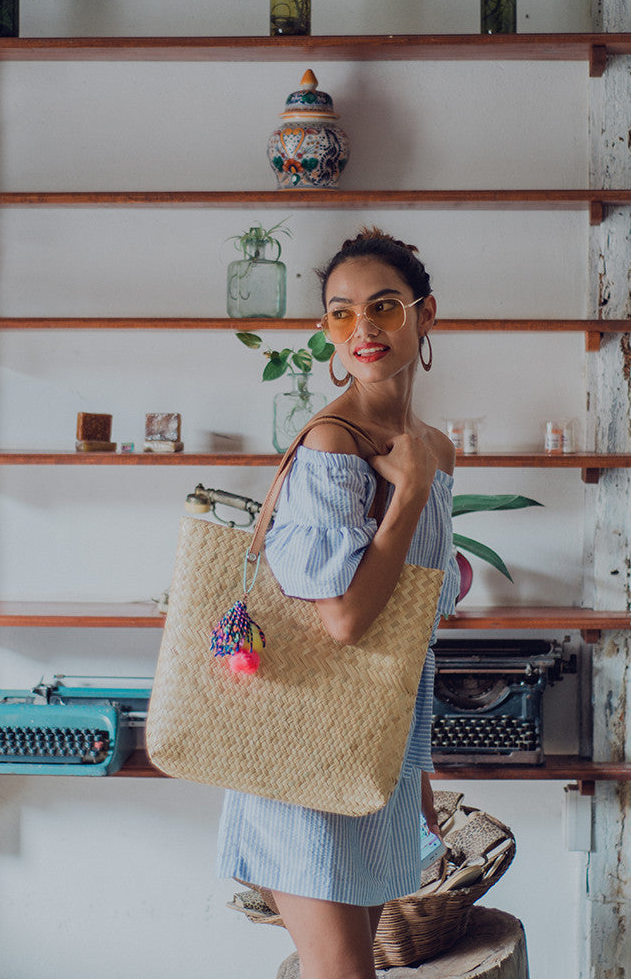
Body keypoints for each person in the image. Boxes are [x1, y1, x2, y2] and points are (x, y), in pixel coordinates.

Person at [216, 227, 460, 979]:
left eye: (384, 306)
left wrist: (411, 766)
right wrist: (410, 492)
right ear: (326, 330)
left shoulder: (432, 445)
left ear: (426, 314)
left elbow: (409, 631)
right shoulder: (333, 443)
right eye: (342, 313)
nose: (364, 329)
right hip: (301, 760)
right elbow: (347, 620)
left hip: (369, 759)